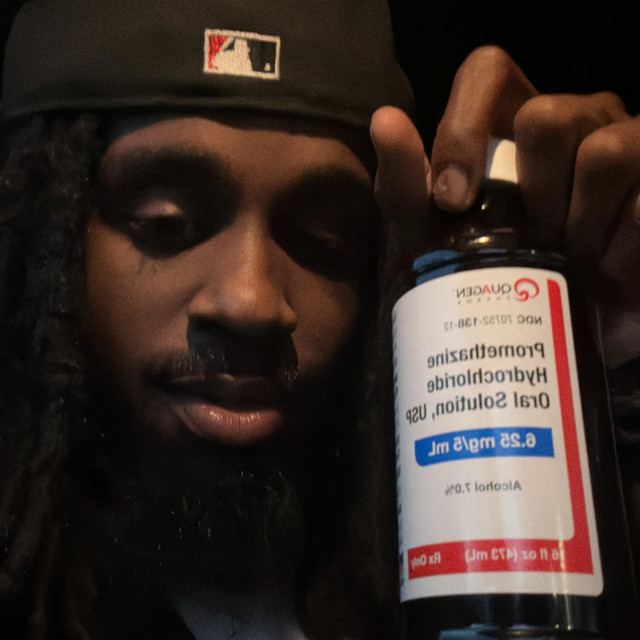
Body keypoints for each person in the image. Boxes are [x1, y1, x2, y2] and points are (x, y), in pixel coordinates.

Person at [1, 1, 639, 639]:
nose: (252, 302)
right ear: (44, 244)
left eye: (323, 239)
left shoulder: (426, 585)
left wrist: (614, 397)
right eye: (168, 223)